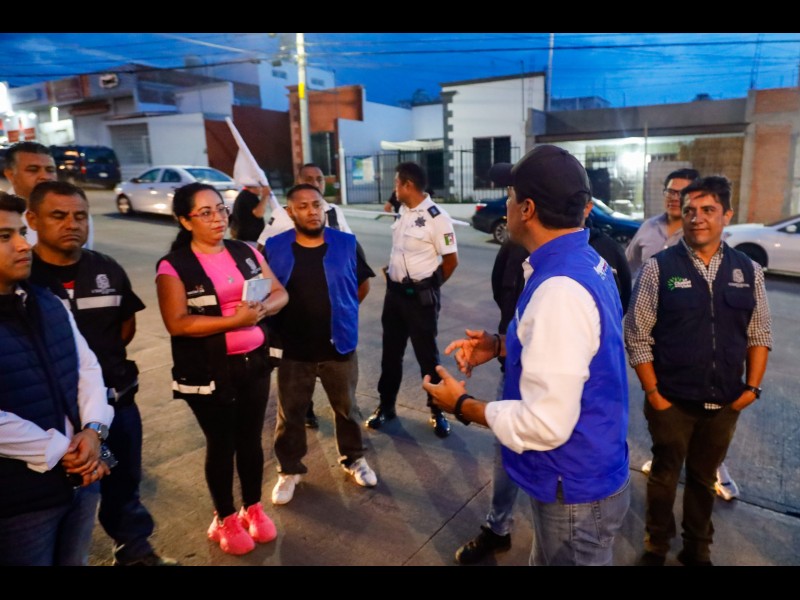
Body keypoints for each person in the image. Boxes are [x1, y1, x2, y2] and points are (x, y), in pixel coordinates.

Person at [423, 145, 630, 566]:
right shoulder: (583, 260)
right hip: (578, 476)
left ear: (528, 209)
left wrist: (463, 405)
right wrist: (501, 345)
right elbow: (579, 347)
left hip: (574, 488)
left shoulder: (560, 289)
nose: (507, 204)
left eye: (511, 195)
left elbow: (544, 423)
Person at [26, 180, 175, 567]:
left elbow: (125, 326)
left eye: (80, 216)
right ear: (33, 219)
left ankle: (134, 549)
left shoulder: (105, 268)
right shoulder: (23, 277)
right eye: (58, 216)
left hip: (116, 405)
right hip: (52, 417)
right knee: (61, 498)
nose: (71, 224)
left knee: (123, 482)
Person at [625, 175, 771, 567]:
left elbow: (759, 334)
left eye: (708, 210)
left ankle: (697, 549)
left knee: (704, 479)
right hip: (670, 401)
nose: (697, 218)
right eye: (690, 210)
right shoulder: (658, 269)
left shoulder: (749, 272)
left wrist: (751, 389)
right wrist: (654, 393)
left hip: (725, 403)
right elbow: (636, 335)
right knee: (664, 475)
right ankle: (657, 545)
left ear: (727, 215)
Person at [155, 182, 288, 556]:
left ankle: (252, 507)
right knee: (222, 443)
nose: (217, 218)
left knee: (251, 440)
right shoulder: (174, 265)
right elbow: (177, 323)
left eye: (220, 209)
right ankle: (225, 516)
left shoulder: (245, 251)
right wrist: (234, 321)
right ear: (185, 221)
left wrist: (261, 310)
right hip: (208, 370)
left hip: (255, 364)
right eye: (205, 212)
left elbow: (280, 293)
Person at [0, 191, 113, 566]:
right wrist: (60, 450)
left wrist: (94, 431)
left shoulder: (45, 301)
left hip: (81, 479)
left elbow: (87, 368)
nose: (23, 244)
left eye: (21, 232)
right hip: (19, 500)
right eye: (4, 236)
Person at [626, 168, 739, 501]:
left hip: (694, 333)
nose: (675, 198)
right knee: (661, 404)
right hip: (654, 334)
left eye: (683, 193)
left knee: (706, 405)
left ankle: (714, 467)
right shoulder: (648, 228)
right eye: (670, 191)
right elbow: (630, 264)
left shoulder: (704, 232)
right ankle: (666, 455)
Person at [264, 183, 377, 504]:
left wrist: (343, 313)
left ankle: (354, 458)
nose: (312, 212)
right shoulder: (274, 247)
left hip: (338, 345)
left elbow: (361, 286)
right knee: (291, 414)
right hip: (293, 349)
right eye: (303, 206)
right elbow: (264, 291)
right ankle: (289, 470)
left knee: (348, 409)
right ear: (290, 212)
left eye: (316, 205)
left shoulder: (347, 243)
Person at [256, 163, 352, 429]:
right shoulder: (280, 218)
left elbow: (357, 278)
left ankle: (351, 451)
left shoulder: (334, 214)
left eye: (319, 179)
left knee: (347, 410)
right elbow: (261, 255)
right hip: (294, 337)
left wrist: (342, 307)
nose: (315, 182)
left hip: (336, 336)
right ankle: (305, 416)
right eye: (309, 178)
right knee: (292, 412)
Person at [366, 162, 459, 438]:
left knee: (427, 357)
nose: (394, 188)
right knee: (390, 355)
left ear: (408, 185)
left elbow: (451, 261)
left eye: (397, 183)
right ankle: (386, 406)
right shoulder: (403, 211)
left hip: (420, 300)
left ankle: (437, 410)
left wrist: (429, 287)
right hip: (394, 296)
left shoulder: (437, 218)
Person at [3, 141, 94, 249]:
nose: (45, 176)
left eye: (50, 170)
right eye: (33, 170)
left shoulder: (76, 213)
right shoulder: (3, 215)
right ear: (10, 175)